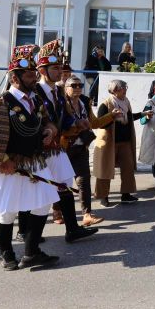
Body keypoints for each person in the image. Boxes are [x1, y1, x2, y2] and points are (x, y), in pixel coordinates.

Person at [0, 45, 61, 271]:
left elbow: (47, 121)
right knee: (7, 211)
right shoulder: (0, 102)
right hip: (10, 165)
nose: (33, 78)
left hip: (35, 162)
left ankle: (31, 253)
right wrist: (3, 160)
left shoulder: (36, 99)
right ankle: (5, 253)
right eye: (29, 75)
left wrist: (50, 130)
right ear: (14, 77)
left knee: (42, 205)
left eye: (33, 74)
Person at [32, 41, 98, 243]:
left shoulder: (58, 92)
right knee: (37, 191)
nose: (60, 71)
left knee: (66, 185)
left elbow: (65, 117)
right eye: (55, 67)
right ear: (42, 70)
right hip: (40, 151)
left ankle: (72, 229)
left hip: (57, 149)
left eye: (61, 67)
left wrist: (78, 121)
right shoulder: (35, 91)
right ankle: (27, 233)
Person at [60, 75, 116, 226]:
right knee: (62, 182)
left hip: (81, 147)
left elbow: (95, 123)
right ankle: (56, 210)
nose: (78, 88)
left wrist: (111, 116)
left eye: (80, 85)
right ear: (66, 88)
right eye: (74, 85)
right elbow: (60, 127)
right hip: (64, 148)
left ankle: (87, 215)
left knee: (83, 181)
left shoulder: (84, 102)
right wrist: (77, 126)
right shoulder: (60, 103)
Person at [93, 79, 151, 207]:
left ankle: (126, 194)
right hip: (109, 142)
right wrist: (112, 116)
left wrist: (143, 114)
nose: (125, 90)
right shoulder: (106, 104)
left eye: (125, 88)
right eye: (122, 88)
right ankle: (103, 197)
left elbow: (129, 117)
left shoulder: (125, 102)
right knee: (105, 170)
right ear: (114, 90)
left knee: (128, 168)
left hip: (125, 142)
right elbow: (100, 123)